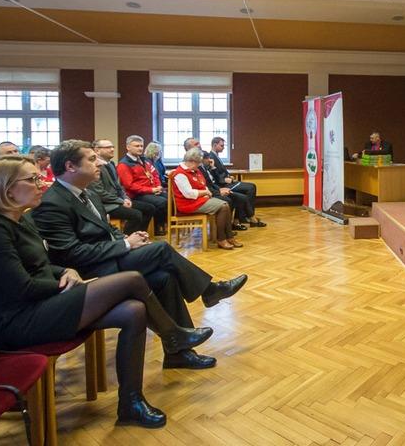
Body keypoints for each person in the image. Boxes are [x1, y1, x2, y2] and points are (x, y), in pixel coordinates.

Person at [0, 156, 214, 428]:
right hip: (16, 321)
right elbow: (23, 288)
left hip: (40, 305)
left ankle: (131, 403)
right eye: (32, 179)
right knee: (132, 280)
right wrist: (71, 284)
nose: (42, 183)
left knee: (134, 310)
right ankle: (174, 336)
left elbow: (40, 265)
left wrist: (64, 271)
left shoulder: (17, 220)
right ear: (6, 190)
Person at [32, 140, 247, 370]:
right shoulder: (52, 203)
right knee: (161, 249)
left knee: (165, 277)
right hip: (89, 273)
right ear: (70, 166)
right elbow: (72, 254)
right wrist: (126, 244)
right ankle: (209, 291)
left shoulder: (88, 193)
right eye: (92, 159)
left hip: (108, 259)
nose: (100, 164)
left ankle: (179, 352)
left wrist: (129, 239)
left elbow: (108, 229)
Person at [171, 148, 241, 250]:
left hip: (199, 200)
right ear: (191, 161)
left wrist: (206, 193)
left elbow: (203, 185)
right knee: (223, 206)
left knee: (225, 204)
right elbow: (189, 194)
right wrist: (205, 193)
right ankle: (221, 239)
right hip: (188, 204)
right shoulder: (180, 174)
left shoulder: (195, 170)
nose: (199, 165)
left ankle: (229, 237)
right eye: (198, 163)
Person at [90, 139, 152, 234]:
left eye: (112, 147)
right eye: (108, 147)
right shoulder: (94, 167)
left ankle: (141, 236)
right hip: (106, 204)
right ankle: (127, 239)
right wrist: (121, 201)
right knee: (136, 215)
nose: (112, 149)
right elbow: (99, 193)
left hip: (117, 200)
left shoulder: (111, 164)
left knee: (149, 208)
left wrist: (125, 198)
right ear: (97, 150)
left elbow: (118, 186)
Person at [205, 137, 265, 228]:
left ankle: (241, 218)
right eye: (221, 146)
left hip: (226, 182)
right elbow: (213, 175)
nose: (223, 147)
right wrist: (225, 179)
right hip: (222, 185)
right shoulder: (210, 157)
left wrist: (229, 176)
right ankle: (248, 216)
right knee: (250, 188)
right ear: (214, 145)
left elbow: (221, 171)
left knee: (250, 187)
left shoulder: (215, 156)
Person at [116, 135, 167, 235]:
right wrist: (151, 190)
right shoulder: (124, 164)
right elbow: (129, 186)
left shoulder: (143, 160)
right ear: (128, 147)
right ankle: (152, 229)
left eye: (141, 146)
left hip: (150, 191)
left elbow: (155, 174)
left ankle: (152, 229)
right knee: (161, 202)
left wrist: (158, 186)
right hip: (136, 195)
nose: (140, 148)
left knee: (168, 199)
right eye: (136, 146)